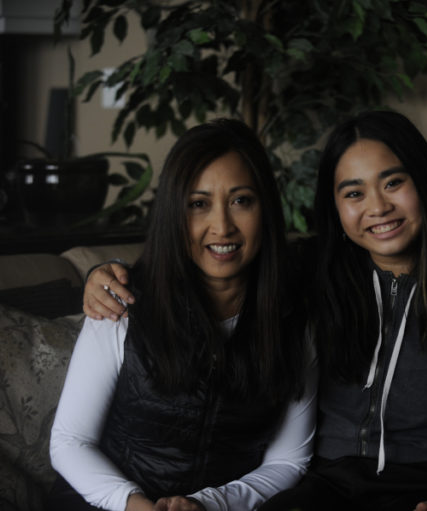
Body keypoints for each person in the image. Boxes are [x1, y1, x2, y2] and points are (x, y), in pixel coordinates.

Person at [81, 111, 427, 511]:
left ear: (424, 183)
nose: (378, 207)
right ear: (335, 207)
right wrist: (108, 274)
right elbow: (215, 267)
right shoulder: (308, 278)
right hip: (327, 484)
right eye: (353, 192)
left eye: (393, 183)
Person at [47, 119, 316, 511]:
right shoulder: (121, 303)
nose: (221, 226)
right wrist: (135, 504)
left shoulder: (294, 320)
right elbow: (70, 443)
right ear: (174, 213)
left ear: (266, 209)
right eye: (198, 204)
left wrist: (208, 503)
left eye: (241, 200)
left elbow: (289, 459)